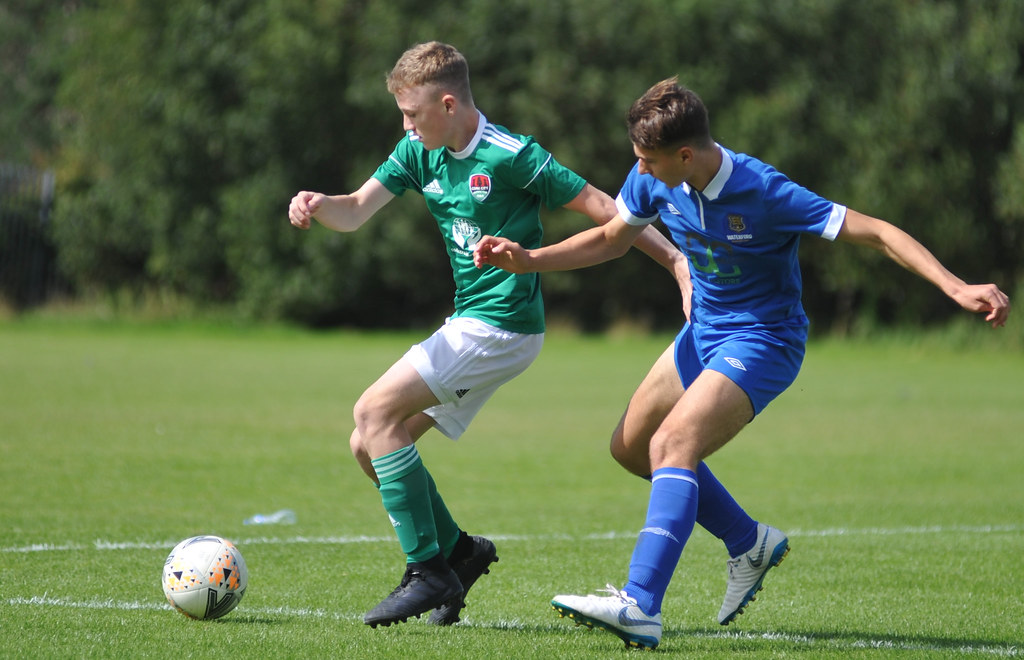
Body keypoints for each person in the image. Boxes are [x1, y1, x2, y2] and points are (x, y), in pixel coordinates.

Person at [473, 76, 1010, 649]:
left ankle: (639, 604)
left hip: (764, 340)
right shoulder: (654, 178)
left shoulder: (764, 189)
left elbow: (876, 233)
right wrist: (531, 260)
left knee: (670, 446)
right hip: (703, 332)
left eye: (648, 161)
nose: (640, 171)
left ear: (685, 154)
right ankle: (747, 543)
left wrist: (956, 287)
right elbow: (611, 238)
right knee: (630, 448)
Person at [287, 43, 688, 629]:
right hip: (473, 325)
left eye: (412, 113)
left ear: (448, 104)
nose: (405, 125)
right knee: (368, 443)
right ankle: (459, 553)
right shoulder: (417, 152)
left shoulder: (511, 155)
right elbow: (353, 210)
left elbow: (606, 208)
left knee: (372, 410)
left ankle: (427, 571)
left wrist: (677, 263)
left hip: (502, 325)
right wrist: (318, 205)